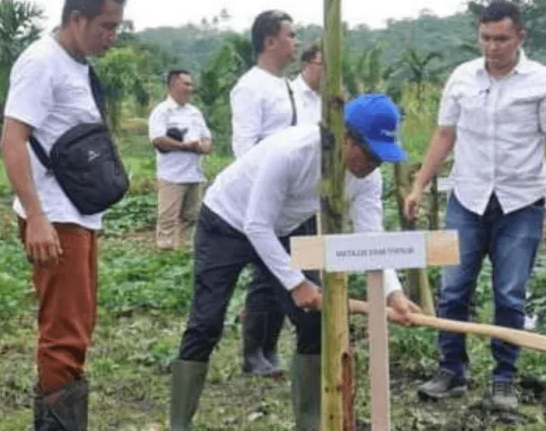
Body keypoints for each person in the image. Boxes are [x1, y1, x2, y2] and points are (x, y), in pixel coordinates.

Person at [169, 93, 422, 431]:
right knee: (207, 322)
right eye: (370, 154)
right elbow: (256, 224)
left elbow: (371, 242)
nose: (373, 164)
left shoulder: (367, 178)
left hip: (286, 226)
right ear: (346, 136)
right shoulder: (293, 153)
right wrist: (297, 283)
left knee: (313, 322)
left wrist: (393, 294)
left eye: (381, 158)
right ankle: (179, 424)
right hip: (227, 223)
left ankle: (310, 421)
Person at [403, 0, 546, 412]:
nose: (493, 47)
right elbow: (445, 135)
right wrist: (419, 184)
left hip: (521, 203)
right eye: (486, 38)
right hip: (466, 199)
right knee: (454, 288)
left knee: (510, 295)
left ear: (520, 37)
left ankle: (503, 379)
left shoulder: (542, 81)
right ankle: (452, 371)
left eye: (502, 39)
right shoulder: (462, 78)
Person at [0, 0, 126, 428]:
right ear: (78, 19)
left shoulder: (78, 65)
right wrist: (36, 217)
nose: (112, 36)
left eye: (117, 27)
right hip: (55, 218)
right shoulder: (41, 62)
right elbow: (13, 140)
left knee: (77, 325)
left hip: (80, 215)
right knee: (64, 334)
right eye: (106, 26)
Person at [228, 9, 303, 377]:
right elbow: (245, 147)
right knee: (264, 275)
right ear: (270, 41)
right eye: (290, 35)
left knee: (281, 273)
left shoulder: (285, 85)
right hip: (262, 194)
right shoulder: (250, 86)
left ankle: (270, 347)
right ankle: (253, 352)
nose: (296, 42)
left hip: (288, 195)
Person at [148, 69, 212, 251]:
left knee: (193, 217)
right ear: (172, 85)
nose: (190, 88)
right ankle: (166, 255)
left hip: (194, 174)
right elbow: (158, 139)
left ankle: (186, 253)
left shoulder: (194, 112)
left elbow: (207, 137)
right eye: (186, 84)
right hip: (172, 175)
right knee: (168, 217)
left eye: (191, 84)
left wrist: (205, 146)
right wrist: (186, 147)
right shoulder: (162, 111)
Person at [291, 43, 323, 125]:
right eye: (321, 65)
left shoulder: (323, 98)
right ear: (305, 65)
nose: (325, 71)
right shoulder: (291, 94)